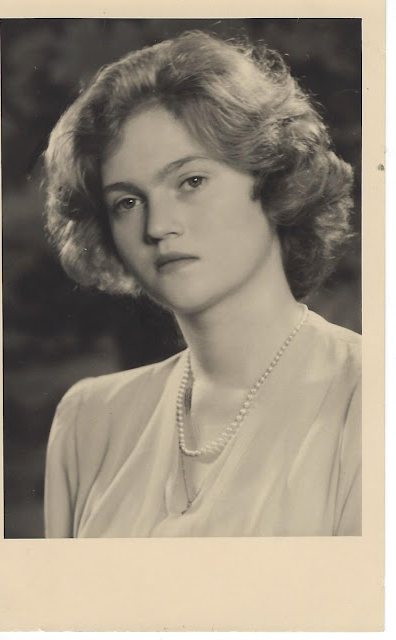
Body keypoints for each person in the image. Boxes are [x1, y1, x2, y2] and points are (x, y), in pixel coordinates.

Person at [43, 30, 361, 538]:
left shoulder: (367, 395)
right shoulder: (89, 421)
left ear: (272, 178)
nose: (157, 226)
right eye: (127, 202)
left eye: (191, 181)